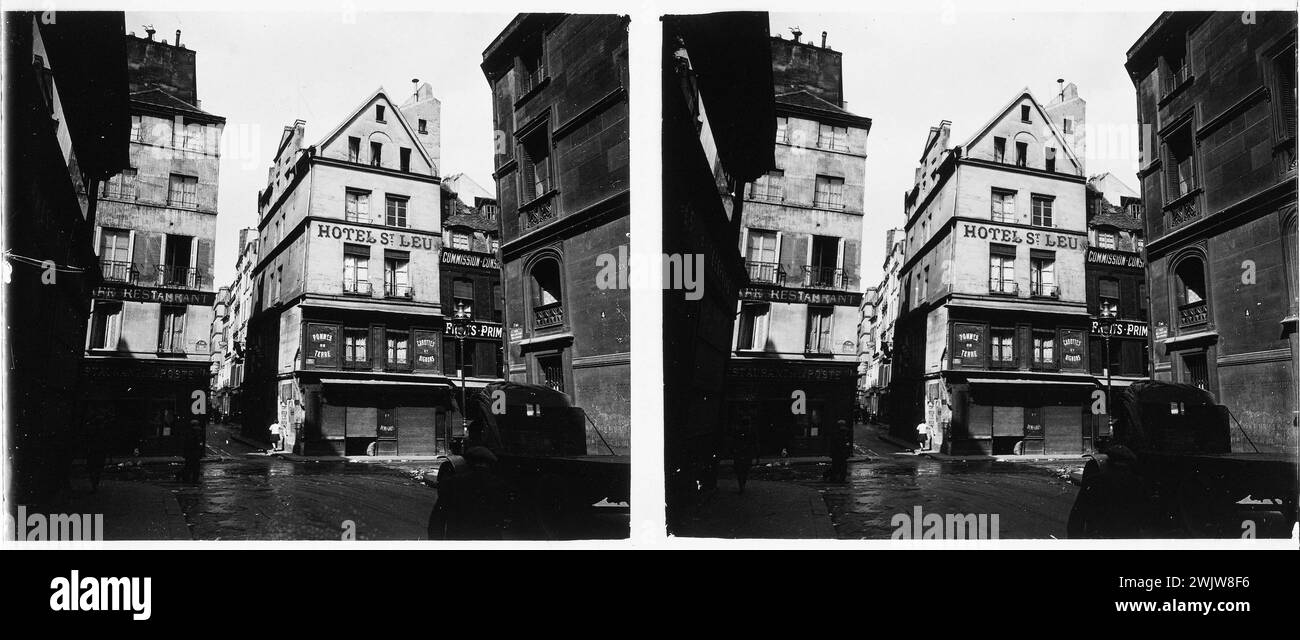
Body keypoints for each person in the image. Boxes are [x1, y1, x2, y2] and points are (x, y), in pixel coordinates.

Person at [427, 446, 515, 540]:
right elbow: (505, 515)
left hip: (459, 538)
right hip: (489, 539)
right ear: (489, 464)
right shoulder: (500, 485)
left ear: (467, 462)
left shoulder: (452, 483)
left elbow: (438, 519)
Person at [731, 420, 756, 494]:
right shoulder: (746, 432)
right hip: (742, 452)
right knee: (743, 470)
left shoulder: (749, 432)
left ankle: (742, 485)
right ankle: (742, 485)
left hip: (744, 452)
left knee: (743, 470)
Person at [180, 419, 204, 483]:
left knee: (188, 466)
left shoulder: (188, 432)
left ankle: (186, 478)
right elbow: (200, 444)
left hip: (189, 452)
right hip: (195, 453)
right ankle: (194, 479)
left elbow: (185, 443)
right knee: (195, 467)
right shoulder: (199, 432)